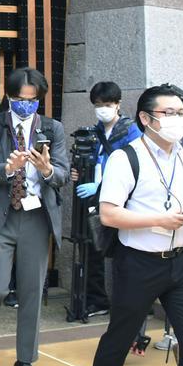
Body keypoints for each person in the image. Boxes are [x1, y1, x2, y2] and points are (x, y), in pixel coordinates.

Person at [89, 85, 183, 366]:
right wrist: (160, 219)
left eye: (181, 113)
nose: (179, 121)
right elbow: (109, 214)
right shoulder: (125, 158)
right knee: (120, 338)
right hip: (140, 264)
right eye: (168, 114)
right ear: (145, 118)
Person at [0, 67, 69, 366]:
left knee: (31, 292)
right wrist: (7, 169)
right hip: (2, 214)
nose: (25, 105)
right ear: (9, 97)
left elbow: (64, 175)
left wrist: (48, 169)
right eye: (19, 99)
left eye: (32, 99)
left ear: (39, 99)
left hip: (37, 218)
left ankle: (25, 361)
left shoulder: (53, 129)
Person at [71, 81, 142, 318]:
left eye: (108, 104)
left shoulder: (131, 131)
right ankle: (97, 300)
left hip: (121, 199)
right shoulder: (95, 131)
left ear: (118, 104)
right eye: (98, 105)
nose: (103, 109)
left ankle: (125, 305)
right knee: (93, 249)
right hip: (96, 200)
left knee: (121, 252)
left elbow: (132, 166)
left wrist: (99, 186)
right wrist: (78, 173)